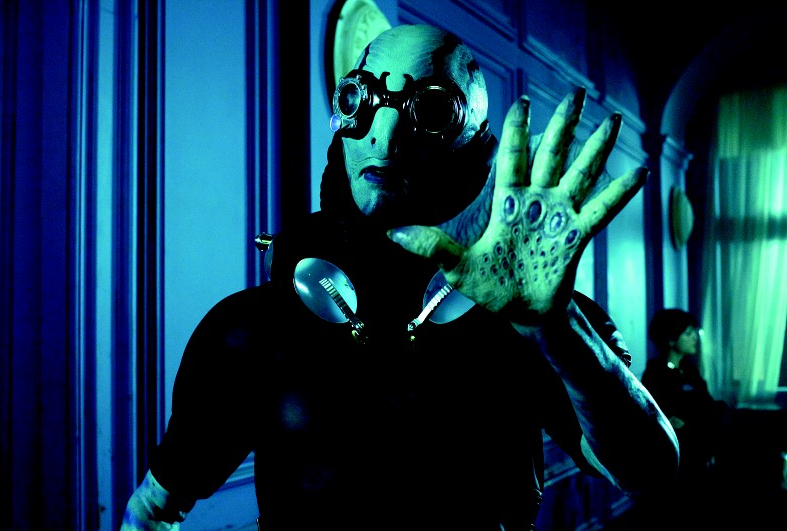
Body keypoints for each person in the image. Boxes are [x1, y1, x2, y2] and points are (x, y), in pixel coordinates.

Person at [120, 23, 679, 530]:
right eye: (359, 99)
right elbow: (153, 509)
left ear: (476, 146)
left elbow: (649, 471)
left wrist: (554, 328)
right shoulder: (251, 329)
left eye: (431, 110)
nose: (385, 138)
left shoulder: (531, 323)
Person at [635, 309, 729, 529]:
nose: (694, 337)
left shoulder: (690, 370)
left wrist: (702, 418)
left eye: (693, 331)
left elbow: (710, 408)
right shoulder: (655, 375)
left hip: (702, 455)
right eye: (687, 333)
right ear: (670, 340)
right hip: (677, 466)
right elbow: (665, 422)